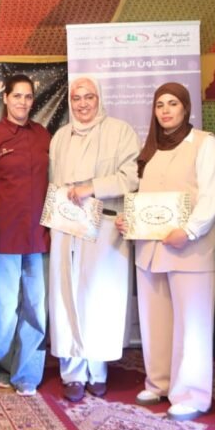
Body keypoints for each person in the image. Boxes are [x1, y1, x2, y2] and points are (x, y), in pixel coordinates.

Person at [120, 82, 215, 421]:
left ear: (185, 108)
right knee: (156, 321)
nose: (165, 110)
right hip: (151, 250)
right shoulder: (150, 149)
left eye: (173, 104)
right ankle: (159, 382)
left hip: (190, 249)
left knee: (191, 324)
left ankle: (192, 395)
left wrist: (190, 230)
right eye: (160, 105)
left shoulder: (205, 144)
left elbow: (211, 196)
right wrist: (129, 220)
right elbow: (145, 198)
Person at [49, 77, 140, 402]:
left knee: (99, 297)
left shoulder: (120, 131)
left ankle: (97, 369)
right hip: (66, 226)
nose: (83, 104)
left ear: (99, 99)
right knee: (66, 295)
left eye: (89, 97)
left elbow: (130, 178)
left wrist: (91, 187)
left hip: (104, 227)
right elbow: (53, 182)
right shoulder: (60, 137)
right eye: (76, 98)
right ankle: (72, 372)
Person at [0, 74, 51, 397]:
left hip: (39, 237)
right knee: (4, 308)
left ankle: (28, 373)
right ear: (5, 98)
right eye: (17, 96)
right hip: (4, 237)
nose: (23, 102)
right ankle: (3, 367)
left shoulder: (43, 135)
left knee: (36, 307)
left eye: (28, 96)